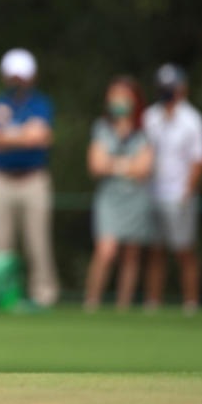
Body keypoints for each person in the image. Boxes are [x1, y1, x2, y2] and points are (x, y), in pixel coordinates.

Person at [0, 48, 59, 307]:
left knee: (38, 243)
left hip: (33, 180)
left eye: (22, 76)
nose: (17, 81)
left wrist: (6, 138)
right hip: (1, 179)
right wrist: (23, 136)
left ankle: (43, 296)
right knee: (0, 244)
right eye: (13, 76)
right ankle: (2, 295)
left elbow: (40, 137)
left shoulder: (41, 103)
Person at [83, 77, 155, 311]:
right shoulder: (101, 128)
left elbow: (144, 169)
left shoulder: (144, 131)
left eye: (123, 96)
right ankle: (91, 303)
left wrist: (113, 165)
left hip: (137, 198)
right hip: (110, 198)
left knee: (131, 254)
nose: (118, 101)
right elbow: (96, 166)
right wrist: (127, 166)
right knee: (106, 250)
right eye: (114, 95)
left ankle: (123, 307)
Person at [141, 64, 202, 313]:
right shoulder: (150, 117)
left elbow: (198, 161)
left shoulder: (192, 120)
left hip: (179, 195)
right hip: (153, 193)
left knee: (184, 250)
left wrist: (186, 193)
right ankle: (153, 301)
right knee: (155, 250)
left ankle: (191, 302)